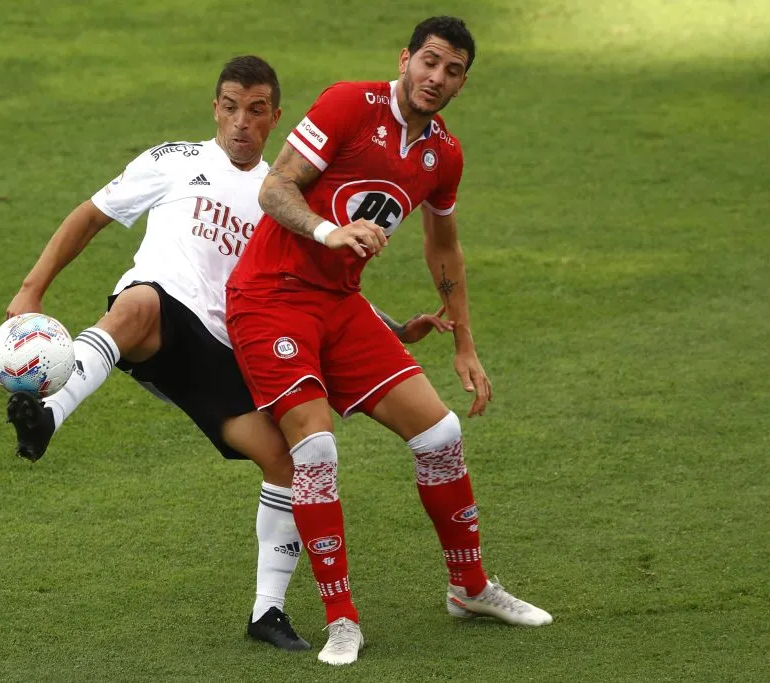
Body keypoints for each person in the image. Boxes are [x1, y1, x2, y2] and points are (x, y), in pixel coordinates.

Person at [1, 56, 450, 653]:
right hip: (160, 317)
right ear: (215, 107)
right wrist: (33, 287)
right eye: (231, 106)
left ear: (275, 119)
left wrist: (393, 328)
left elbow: (315, 291)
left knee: (289, 463)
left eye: (256, 110)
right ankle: (47, 416)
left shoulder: (284, 198)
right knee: (137, 305)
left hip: (224, 351)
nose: (241, 122)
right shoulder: (173, 161)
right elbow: (90, 217)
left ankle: (267, 612)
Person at [225, 17, 552, 666]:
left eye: (453, 70)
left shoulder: (443, 155)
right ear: (405, 59)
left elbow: (443, 242)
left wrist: (464, 342)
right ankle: (342, 619)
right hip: (271, 296)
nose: (436, 78)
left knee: (441, 435)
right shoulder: (350, 103)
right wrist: (327, 232)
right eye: (429, 62)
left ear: (463, 82)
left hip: (339, 306)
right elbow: (275, 186)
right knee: (315, 445)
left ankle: (470, 586)